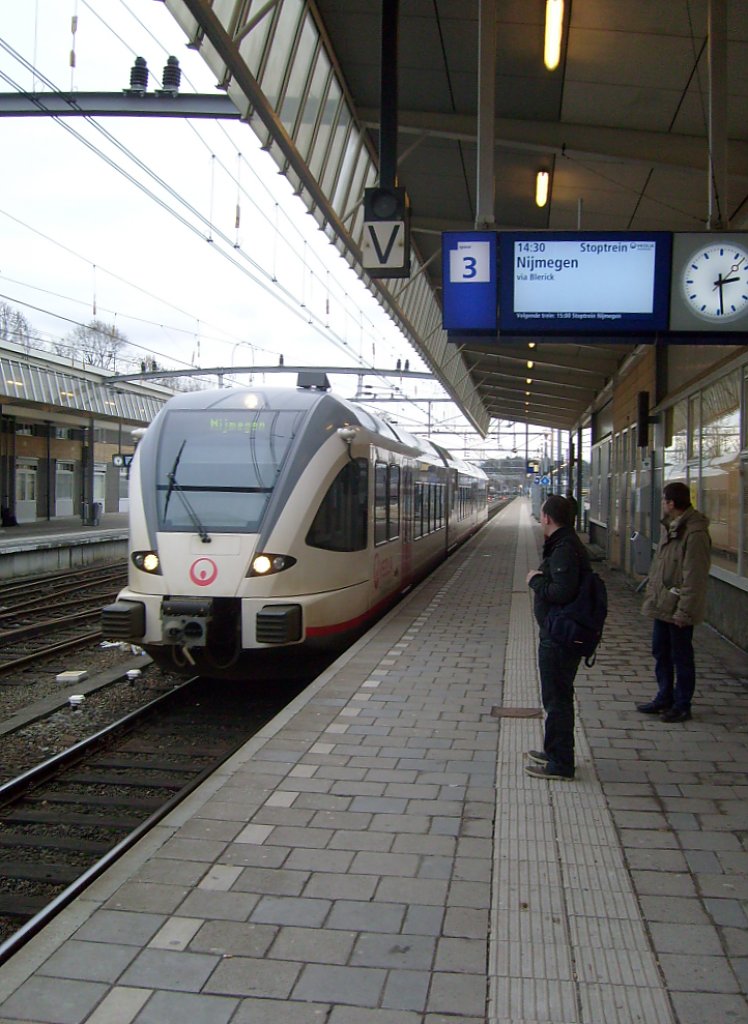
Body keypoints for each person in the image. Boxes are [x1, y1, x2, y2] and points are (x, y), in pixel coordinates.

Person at [525, 494, 591, 780]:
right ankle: (555, 751)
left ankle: (560, 763)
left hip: (560, 636)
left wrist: (535, 580)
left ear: (547, 518)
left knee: (557, 700)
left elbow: (561, 591)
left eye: (542, 514)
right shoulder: (566, 544)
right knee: (557, 697)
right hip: (561, 632)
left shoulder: (564, 548)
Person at [637, 481, 711, 723]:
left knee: (681, 657)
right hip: (663, 603)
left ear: (671, 503)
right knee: (661, 651)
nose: (662, 504)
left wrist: (684, 612)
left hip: (678, 607)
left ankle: (682, 704)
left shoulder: (695, 533)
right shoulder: (671, 526)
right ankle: (664, 696)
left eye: (664, 500)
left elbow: (695, 576)